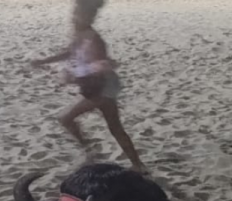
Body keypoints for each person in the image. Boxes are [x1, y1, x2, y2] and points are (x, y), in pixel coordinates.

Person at [30, 0, 147, 173]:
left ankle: (90, 152)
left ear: (89, 16)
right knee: (115, 127)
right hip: (102, 86)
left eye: (78, 13)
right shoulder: (80, 33)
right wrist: (44, 61)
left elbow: (99, 69)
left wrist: (74, 77)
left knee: (65, 118)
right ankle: (138, 165)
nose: (73, 16)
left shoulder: (94, 39)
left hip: (102, 87)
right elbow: (70, 52)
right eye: (74, 12)